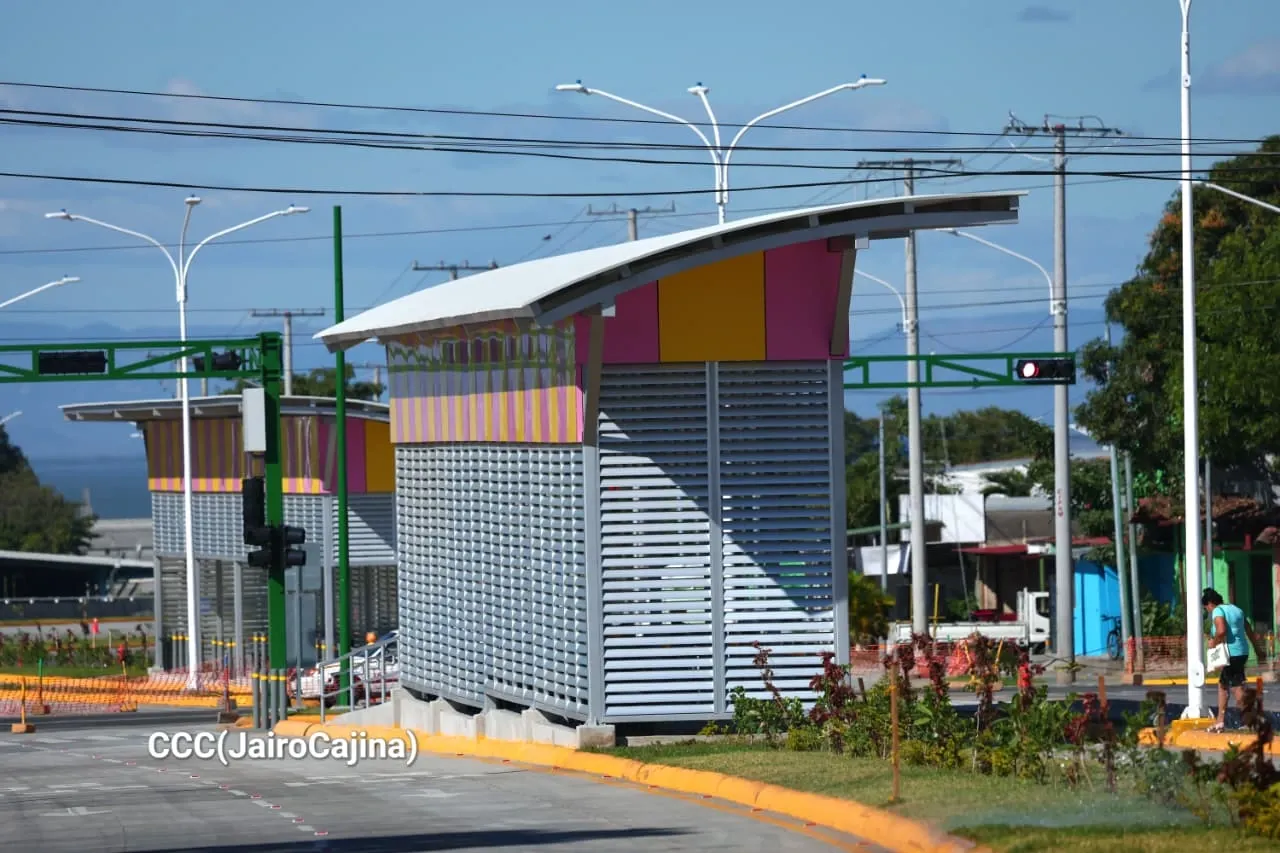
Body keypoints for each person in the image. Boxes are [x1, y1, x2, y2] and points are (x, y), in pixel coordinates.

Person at [1202, 588, 1262, 732]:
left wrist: (1213, 642)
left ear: (1210, 603)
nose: (1208, 611)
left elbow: (1221, 630)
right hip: (1242, 652)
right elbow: (1249, 630)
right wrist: (1258, 650)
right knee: (1224, 685)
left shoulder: (1218, 611)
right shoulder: (1236, 609)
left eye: (1206, 608)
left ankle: (1250, 721)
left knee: (1236, 687)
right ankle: (1220, 721)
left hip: (1230, 654)